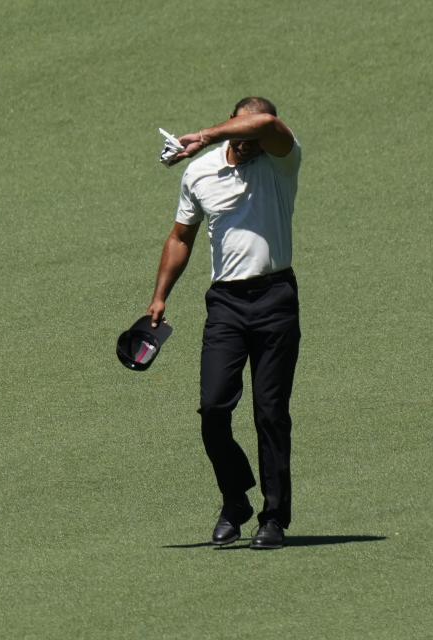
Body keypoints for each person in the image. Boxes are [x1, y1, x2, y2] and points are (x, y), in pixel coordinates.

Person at [148, 97, 302, 550]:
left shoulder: (282, 161)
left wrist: (207, 134)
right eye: (244, 133)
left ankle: (273, 517)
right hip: (227, 305)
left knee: (270, 413)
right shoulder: (198, 173)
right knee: (214, 409)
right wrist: (159, 297)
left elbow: (270, 123)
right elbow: (181, 236)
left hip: (276, 297)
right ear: (234, 126)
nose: (253, 141)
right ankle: (235, 498)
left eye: (256, 135)